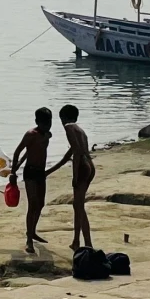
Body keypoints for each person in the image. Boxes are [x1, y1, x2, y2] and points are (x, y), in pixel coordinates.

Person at [47, 104, 94, 253]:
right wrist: (51, 169)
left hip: (82, 167)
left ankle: (87, 243)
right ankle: (76, 241)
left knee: (79, 206)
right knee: (77, 205)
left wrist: (74, 175)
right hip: (90, 165)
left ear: (63, 118)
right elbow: (72, 152)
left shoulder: (68, 127)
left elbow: (78, 153)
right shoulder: (80, 130)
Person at [10, 107, 53, 252]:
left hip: (41, 172)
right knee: (32, 204)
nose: (47, 126)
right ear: (37, 122)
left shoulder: (47, 134)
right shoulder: (30, 134)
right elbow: (19, 151)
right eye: (44, 123)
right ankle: (29, 239)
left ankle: (33, 231)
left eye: (49, 122)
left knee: (40, 204)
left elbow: (31, 152)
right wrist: (13, 171)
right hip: (30, 172)